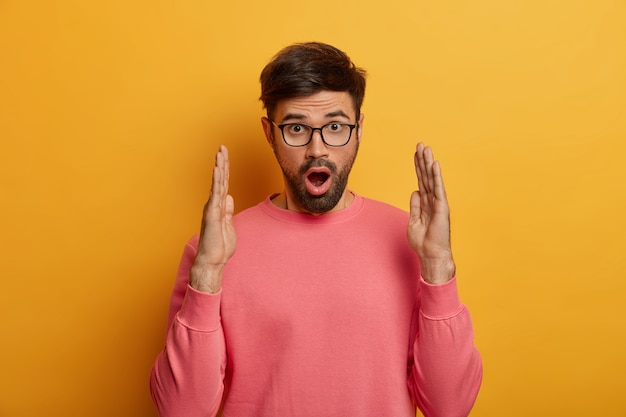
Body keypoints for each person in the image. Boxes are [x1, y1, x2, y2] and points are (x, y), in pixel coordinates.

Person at [150, 42, 482, 417]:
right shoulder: (213, 250)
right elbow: (181, 411)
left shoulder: (412, 241)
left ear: (359, 131)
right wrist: (208, 275)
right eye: (296, 128)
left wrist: (438, 265)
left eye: (336, 127)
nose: (316, 149)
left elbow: (450, 406)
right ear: (269, 133)